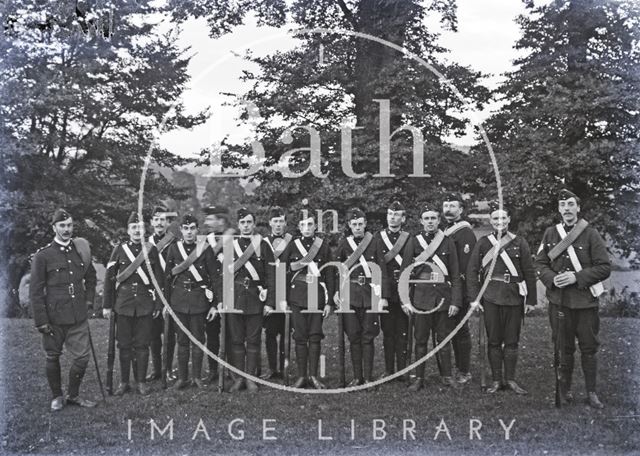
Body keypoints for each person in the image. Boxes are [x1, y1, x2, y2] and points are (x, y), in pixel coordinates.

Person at [534, 189, 611, 408]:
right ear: (559, 209)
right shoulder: (550, 233)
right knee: (563, 347)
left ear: (578, 207)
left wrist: (575, 277)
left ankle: (591, 392)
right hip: (559, 302)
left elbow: (604, 267)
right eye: (562, 205)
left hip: (585, 302)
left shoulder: (590, 234)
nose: (567, 208)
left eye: (570, 204)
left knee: (589, 346)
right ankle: (565, 390)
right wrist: (552, 279)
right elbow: (540, 263)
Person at [30, 208, 97, 411]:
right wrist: (41, 320)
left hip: (77, 314)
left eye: (69, 225)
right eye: (62, 225)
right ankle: (57, 396)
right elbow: (35, 291)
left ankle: (74, 395)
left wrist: (88, 302)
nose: (66, 229)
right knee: (53, 355)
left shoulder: (80, 251)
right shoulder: (44, 256)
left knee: (82, 357)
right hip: (54, 316)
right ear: (54, 227)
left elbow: (91, 278)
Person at [467, 202, 537, 394]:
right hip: (490, 297)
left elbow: (529, 272)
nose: (499, 221)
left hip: (514, 297)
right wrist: (474, 299)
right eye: (495, 218)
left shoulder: (519, 242)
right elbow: (472, 272)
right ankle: (497, 380)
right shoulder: (483, 243)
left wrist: (531, 300)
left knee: (512, 340)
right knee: (494, 340)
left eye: (503, 218)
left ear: (509, 220)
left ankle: (511, 380)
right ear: (491, 220)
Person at [400, 202, 462, 390]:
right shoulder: (414, 241)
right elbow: (405, 273)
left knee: (443, 339)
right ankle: (419, 378)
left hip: (443, 298)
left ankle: (447, 376)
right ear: (421, 221)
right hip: (420, 299)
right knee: (420, 340)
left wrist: (456, 301)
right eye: (426, 218)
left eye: (433, 218)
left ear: (438, 220)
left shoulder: (447, 241)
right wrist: (405, 301)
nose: (430, 222)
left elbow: (455, 274)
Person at [103, 212, 165, 395]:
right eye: (134, 228)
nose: (138, 231)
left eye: (141, 227)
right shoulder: (119, 250)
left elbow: (159, 281)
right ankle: (123, 382)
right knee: (123, 345)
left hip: (145, 303)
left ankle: (140, 381)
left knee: (142, 344)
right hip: (123, 304)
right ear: (128, 230)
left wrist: (158, 305)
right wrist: (107, 305)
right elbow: (109, 279)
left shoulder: (152, 250)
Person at [280, 208, 335, 389]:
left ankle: (313, 376)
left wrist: (329, 302)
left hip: (316, 295)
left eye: (310, 224)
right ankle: (301, 376)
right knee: (300, 336)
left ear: (315, 226)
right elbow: (284, 273)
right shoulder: (292, 246)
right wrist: (284, 298)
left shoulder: (323, 246)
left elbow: (329, 274)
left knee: (315, 336)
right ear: (298, 227)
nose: (306, 228)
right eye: (303, 225)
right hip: (297, 296)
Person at [221, 207, 275, 392]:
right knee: (236, 340)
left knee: (253, 340)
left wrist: (269, 302)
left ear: (254, 224)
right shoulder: (230, 246)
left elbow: (271, 275)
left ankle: (250, 378)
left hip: (255, 298)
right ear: (238, 225)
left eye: (249, 222)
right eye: (242, 222)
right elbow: (223, 276)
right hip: (235, 297)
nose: (246, 226)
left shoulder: (264, 245)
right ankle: (239, 378)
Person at [164, 214, 218, 389]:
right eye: (186, 229)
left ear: (197, 230)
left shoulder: (206, 249)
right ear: (181, 230)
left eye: (192, 228)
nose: (189, 232)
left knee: (198, 340)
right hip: (178, 300)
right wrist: (166, 303)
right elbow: (166, 277)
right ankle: (182, 378)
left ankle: (196, 377)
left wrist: (215, 304)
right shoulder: (173, 249)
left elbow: (215, 278)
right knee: (182, 341)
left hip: (199, 300)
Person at [333, 207, 381, 386]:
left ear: (365, 224)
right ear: (349, 226)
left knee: (368, 336)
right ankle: (357, 376)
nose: (358, 227)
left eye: (361, 224)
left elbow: (381, 270)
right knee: (353, 336)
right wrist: (336, 291)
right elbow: (337, 270)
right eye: (354, 224)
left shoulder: (374, 243)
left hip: (370, 295)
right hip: (350, 295)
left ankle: (368, 378)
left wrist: (381, 295)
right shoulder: (344, 244)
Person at [374, 201, 412, 382]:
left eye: (397, 214)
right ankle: (389, 370)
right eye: (390, 214)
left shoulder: (410, 238)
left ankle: (403, 370)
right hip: (386, 291)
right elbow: (376, 268)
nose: (393, 217)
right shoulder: (378, 238)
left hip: (404, 291)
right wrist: (382, 295)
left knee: (404, 331)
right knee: (388, 332)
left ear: (403, 218)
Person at [442, 193, 476, 384]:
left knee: (460, 331)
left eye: (453, 206)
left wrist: (462, 294)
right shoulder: (445, 229)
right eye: (446, 205)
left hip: (459, 290)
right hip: (445, 290)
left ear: (461, 209)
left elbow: (466, 267)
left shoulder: (465, 232)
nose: (448, 209)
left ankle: (464, 370)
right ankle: (453, 368)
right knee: (448, 330)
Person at [201, 205, 233, 383]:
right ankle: (213, 370)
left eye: (210, 219)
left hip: (231, 292)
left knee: (231, 333)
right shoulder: (206, 241)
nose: (207, 222)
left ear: (221, 220)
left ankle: (230, 369)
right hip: (211, 295)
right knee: (211, 334)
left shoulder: (233, 239)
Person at [261, 206, 293, 380]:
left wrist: (289, 298)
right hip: (271, 295)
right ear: (270, 223)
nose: (279, 224)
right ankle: (272, 368)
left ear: (285, 223)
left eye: (281, 221)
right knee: (271, 333)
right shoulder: (264, 243)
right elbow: (263, 272)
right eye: (275, 221)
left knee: (286, 332)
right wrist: (269, 300)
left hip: (288, 294)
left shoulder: (292, 242)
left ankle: (284, 368)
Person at [146, 205, 177, 383]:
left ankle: (168, 369)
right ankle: (157, 369)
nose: (159, 222)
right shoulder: (145, 243)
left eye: (162, 219)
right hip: (151, 295)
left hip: (171, 294)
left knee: (170, 334)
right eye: (156, 219)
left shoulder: (175, 243)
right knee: (153, 334)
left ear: (168, 222)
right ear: (151, 222)